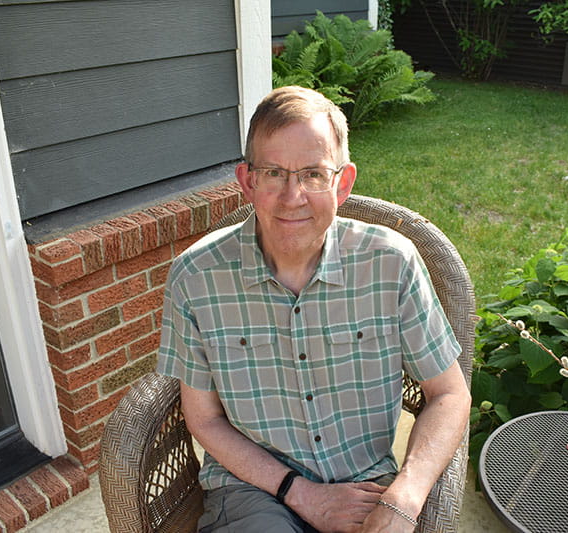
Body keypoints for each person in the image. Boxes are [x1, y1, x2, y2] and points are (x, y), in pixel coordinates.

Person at [157, 86, 471, 533]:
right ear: (247, 181)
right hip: (253, 492)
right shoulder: (195, 277)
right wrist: (299, 492)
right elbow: (203, 419)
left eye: (313, 174)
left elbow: (450, 394)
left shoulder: (392, 263)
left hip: (367, 487)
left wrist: (406, 495)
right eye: (273, 173)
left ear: (342, 182)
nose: (293, 196)